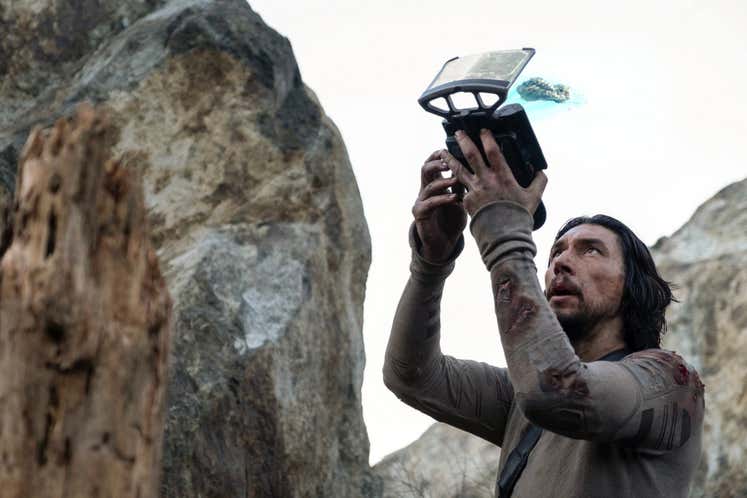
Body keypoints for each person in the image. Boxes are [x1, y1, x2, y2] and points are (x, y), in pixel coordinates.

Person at [383, 129, 704, 498]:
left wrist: (502, 229)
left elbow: (559, 392)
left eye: (591, 250)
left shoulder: (669, 384)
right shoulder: (519, 398)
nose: (561, 263)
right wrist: (431, 262)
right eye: (556, 253)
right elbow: (410, 375)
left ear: (633, 285)